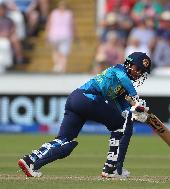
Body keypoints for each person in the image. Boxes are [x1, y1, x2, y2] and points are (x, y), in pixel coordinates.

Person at [18, 52, 152, 178]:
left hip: (76, 100)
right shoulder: (118, 69)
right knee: (119, 125)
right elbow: (124, 79)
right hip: (88, 98)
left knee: (65, 142)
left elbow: (124, 108)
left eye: (142, 72)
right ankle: (112, 168)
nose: (139, 74)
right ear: (128, 63)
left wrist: (137, 112)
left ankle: (31, 160)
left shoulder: (122, 89)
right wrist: (136, 99)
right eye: (138, 69)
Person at [45, 0, 75, 73]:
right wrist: (74, 35)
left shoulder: (54, 13)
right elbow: (72, 26)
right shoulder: (69, 13)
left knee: (56, 51)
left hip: (55, 34)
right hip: (65, 34)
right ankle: (63, 68)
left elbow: (49, 24)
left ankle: (57, 65)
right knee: (63, 53)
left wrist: (46, 34)